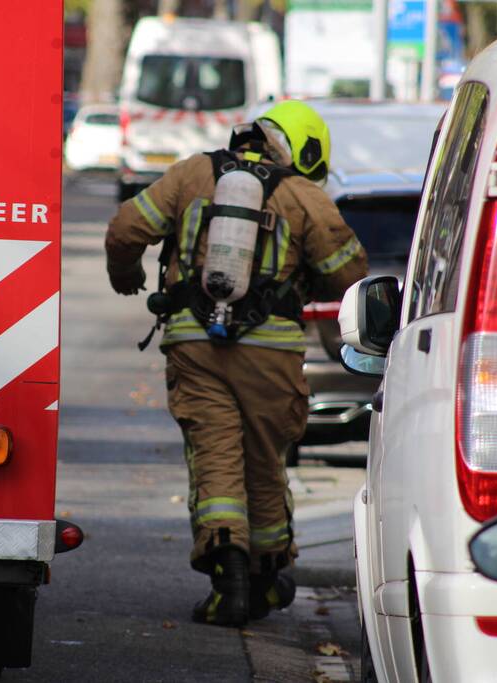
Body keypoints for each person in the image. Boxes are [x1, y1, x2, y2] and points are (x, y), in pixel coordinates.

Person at [104, 101, 368, 627]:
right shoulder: (302, 194)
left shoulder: (191, 173)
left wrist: (126, 274)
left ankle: (229, 583)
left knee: (217, 456)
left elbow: (125, 229)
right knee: (265, 465)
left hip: (195, 346)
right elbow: (351, 273)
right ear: (303, 150)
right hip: (272, 355)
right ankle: (267, 581)